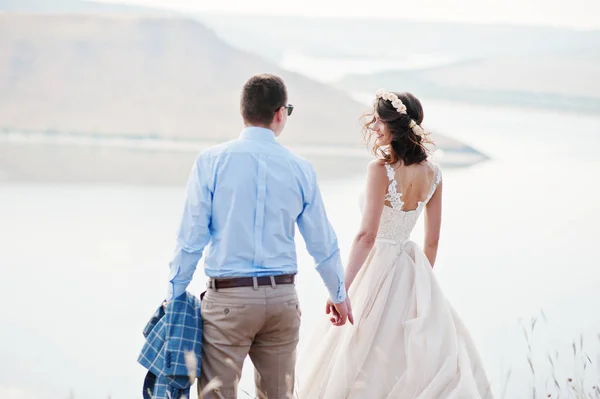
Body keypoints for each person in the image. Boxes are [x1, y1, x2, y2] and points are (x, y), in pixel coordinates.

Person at [165, 73, 353, 399]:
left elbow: (190, 238)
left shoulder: (211, 162)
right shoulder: (300, 168)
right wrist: (338, 294)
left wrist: (175, 293)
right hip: (281, 300)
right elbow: (322, 243)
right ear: (280, 113)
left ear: (244, 111)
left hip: (228, 302)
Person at [296, 90, 493, 398]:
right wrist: (421, 286)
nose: (374, 126)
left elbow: (366, 236)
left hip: (375, 268)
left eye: (378, 120)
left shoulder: (380, 169)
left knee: (359, 352)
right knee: (402, 355)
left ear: (394, 125)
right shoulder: (435, 174)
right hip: (411, 268)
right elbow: (432, 241)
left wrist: (341, 290)